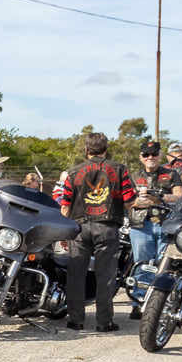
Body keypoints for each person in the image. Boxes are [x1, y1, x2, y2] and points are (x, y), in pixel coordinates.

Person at [53, 131, 135, 331]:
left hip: (79, 228)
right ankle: (104, 322)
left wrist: (65, 233)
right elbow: (130, 201)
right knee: (105, 277)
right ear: (106, 149)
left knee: (76, 275)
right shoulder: (120, 169)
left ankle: (76, 320)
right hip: (107, 228)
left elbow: (65, 206)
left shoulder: (73, 172)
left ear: (86, 150)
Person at [126, 140, 182, 318]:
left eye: (154, 154)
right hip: (140, 225)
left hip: (165, 224)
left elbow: (180, 197)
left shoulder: (172, 174)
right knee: (142, 265)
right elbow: (127, 201)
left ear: (160, 155)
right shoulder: (133, 176)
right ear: (141, 157)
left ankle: (160, 303)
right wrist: (140, 201)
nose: (150, 157)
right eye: (146, 154)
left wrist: (159, 197)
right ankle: (138, 303)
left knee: (164, 265)